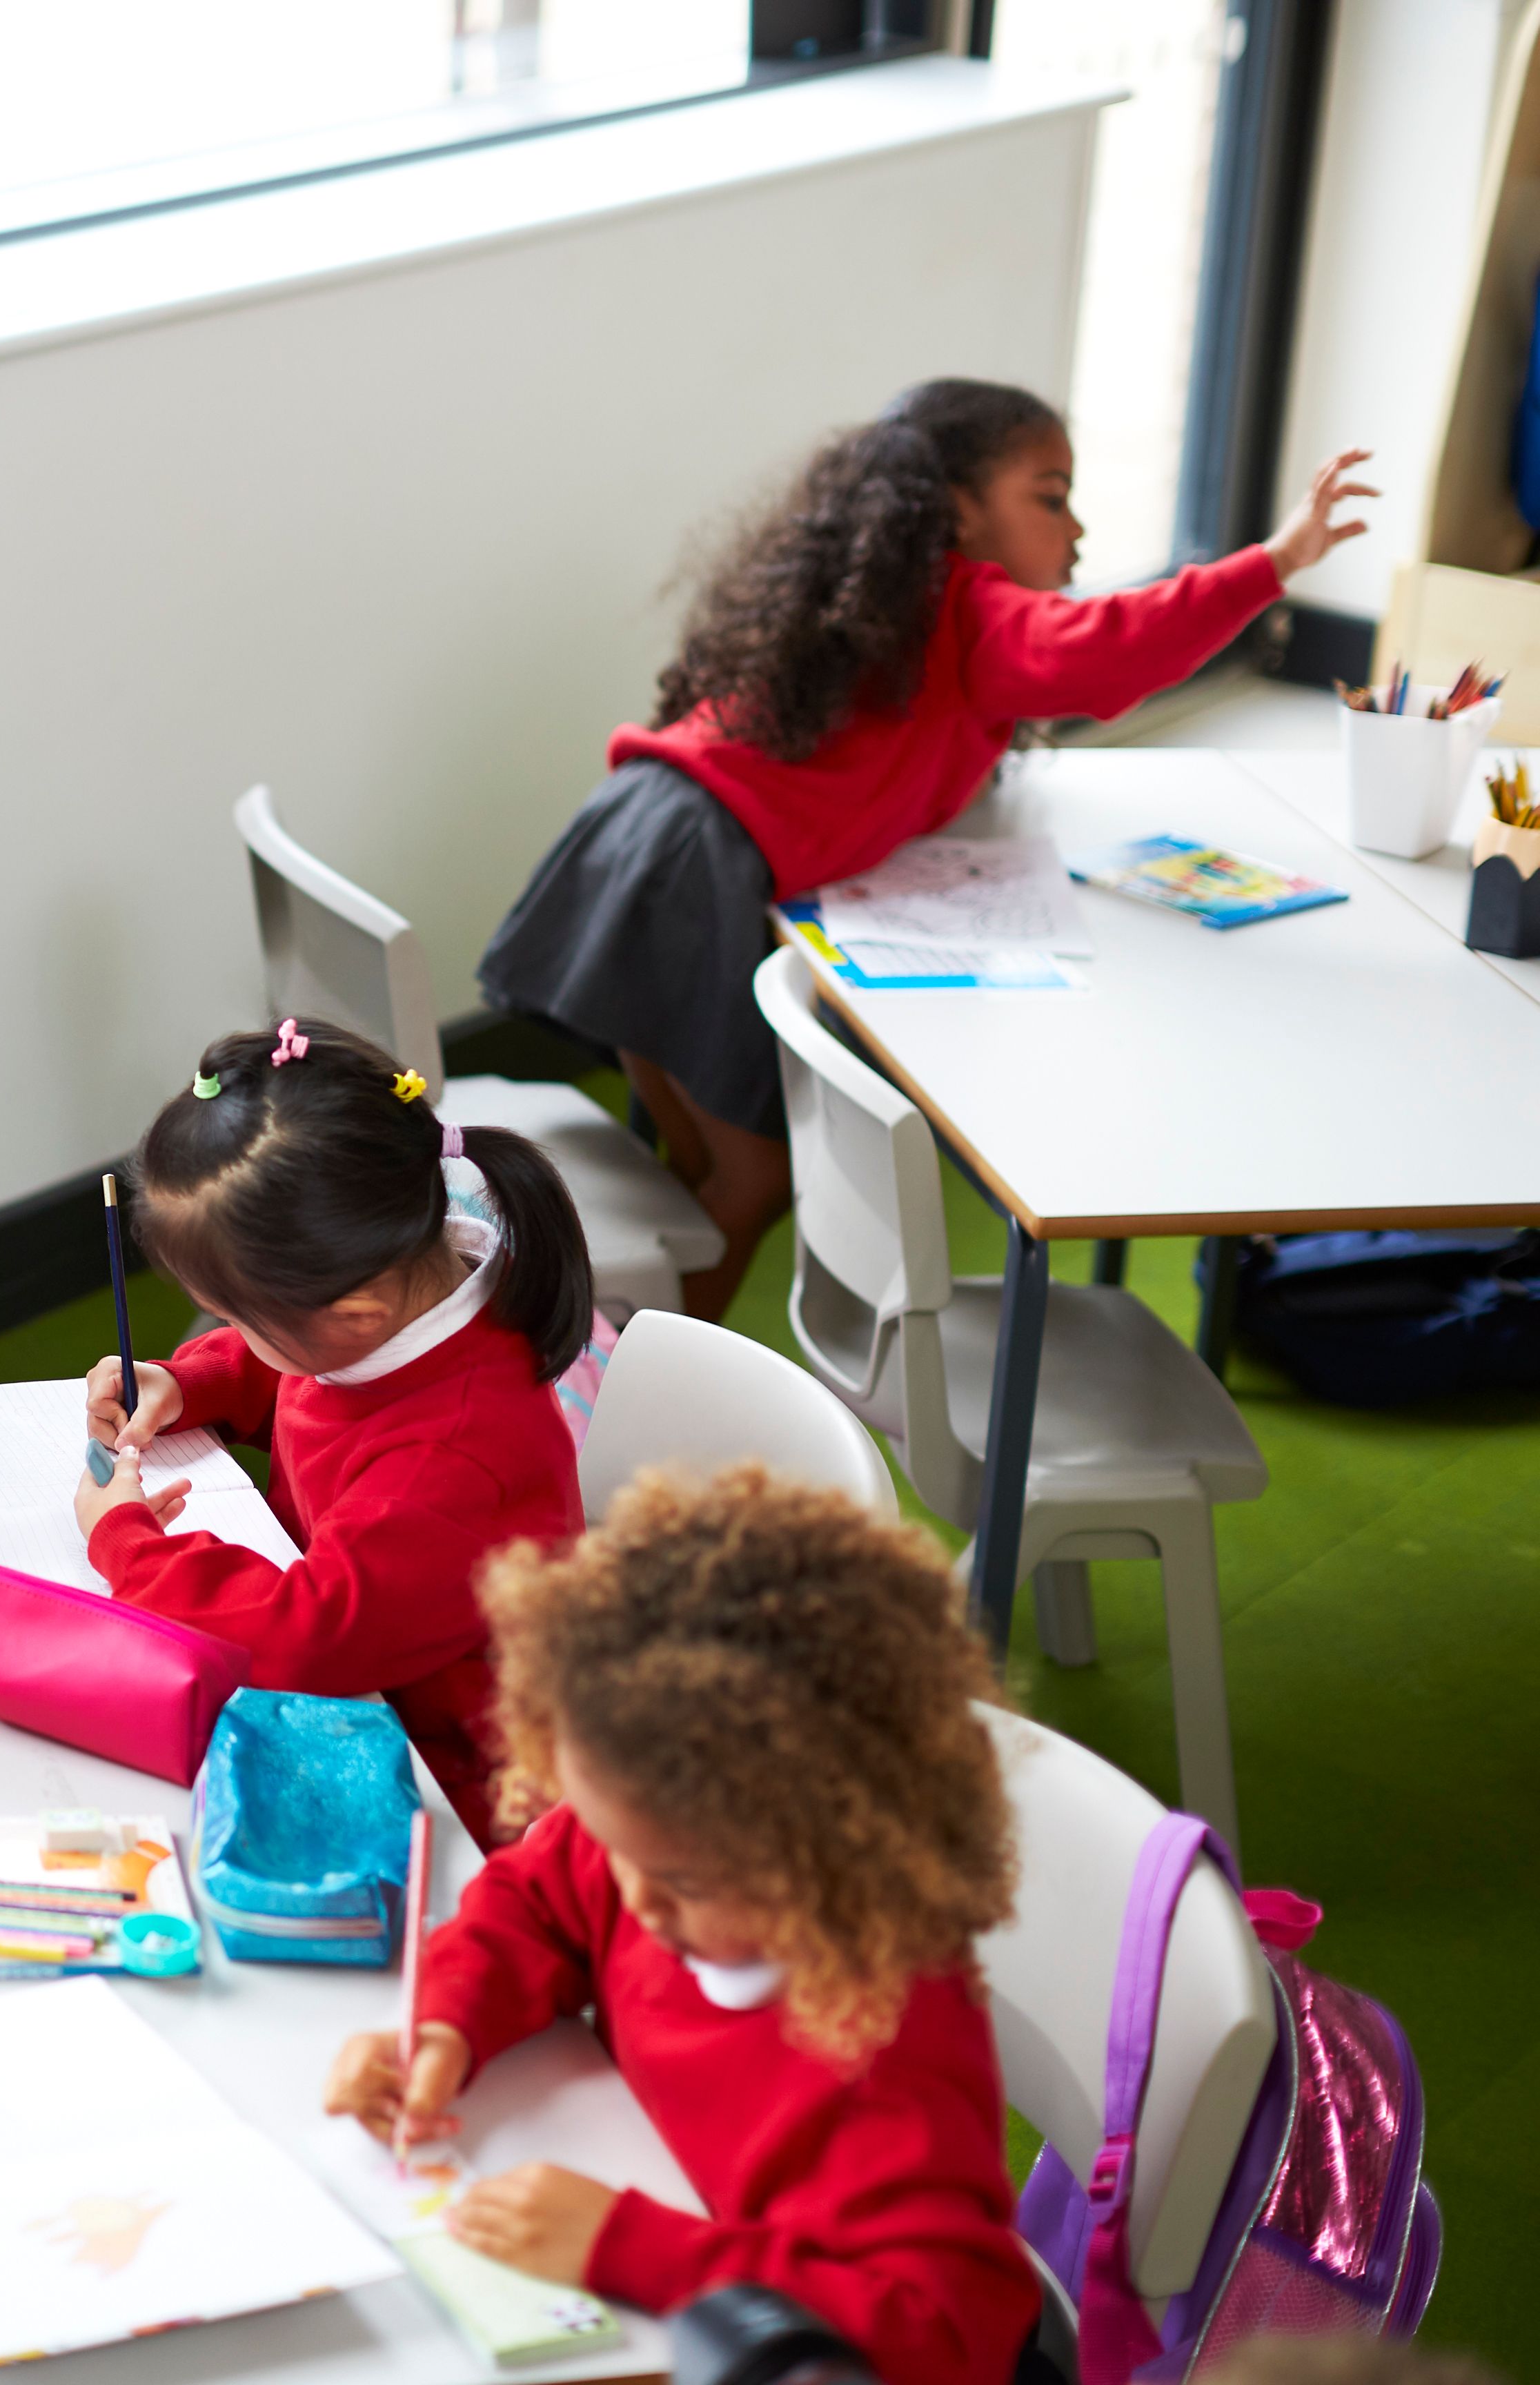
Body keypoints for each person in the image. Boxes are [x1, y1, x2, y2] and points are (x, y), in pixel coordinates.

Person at [479, 377, 1376, 1317]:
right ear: (958, 508)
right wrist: (1276, 561)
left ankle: (604, 1387)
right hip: (689, 869)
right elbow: (1105, 651)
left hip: (638, 833)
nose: (1077, 532)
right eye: (1050, 495)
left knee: (703, 1178)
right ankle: (617, 1409)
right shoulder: (967, 606)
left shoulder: (882, 602)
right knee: (747, 1186)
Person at [323, 1468, 1029, 2385]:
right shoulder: (662, 1829)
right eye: (618, 1848)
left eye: (680, 1880)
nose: (639, 1904)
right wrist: (449, 2020)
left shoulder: (887, 2054)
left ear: (824, 1851)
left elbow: (943, 2339)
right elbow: (539, 1899)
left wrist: (637, 2251)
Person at [75, 1019, 589, 1843]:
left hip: (449, 1784)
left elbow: (304, 1637)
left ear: (354, 1313)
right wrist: (189, 1382)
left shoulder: (453, 1461)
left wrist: (127, 1543)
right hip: (367, 1691)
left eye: (241, 1318)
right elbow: (298, 1368)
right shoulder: (394, 1292)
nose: (234, 1335)